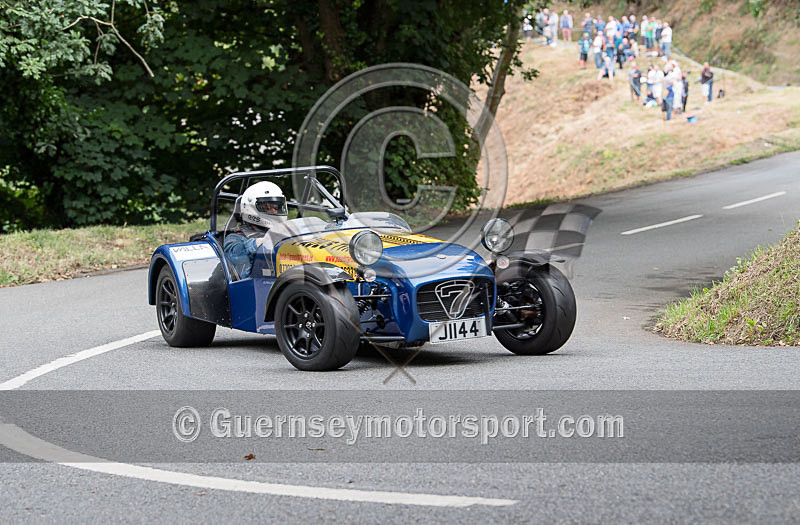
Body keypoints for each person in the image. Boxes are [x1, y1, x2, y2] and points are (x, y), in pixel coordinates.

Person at [223, 181, 288, 279]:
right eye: (268, 207)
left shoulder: (284, 231)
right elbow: (235, 255)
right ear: (251, 209)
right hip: (256, 286)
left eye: (276, 207)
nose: (274, 211)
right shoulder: (235, 237)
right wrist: (257, 243)